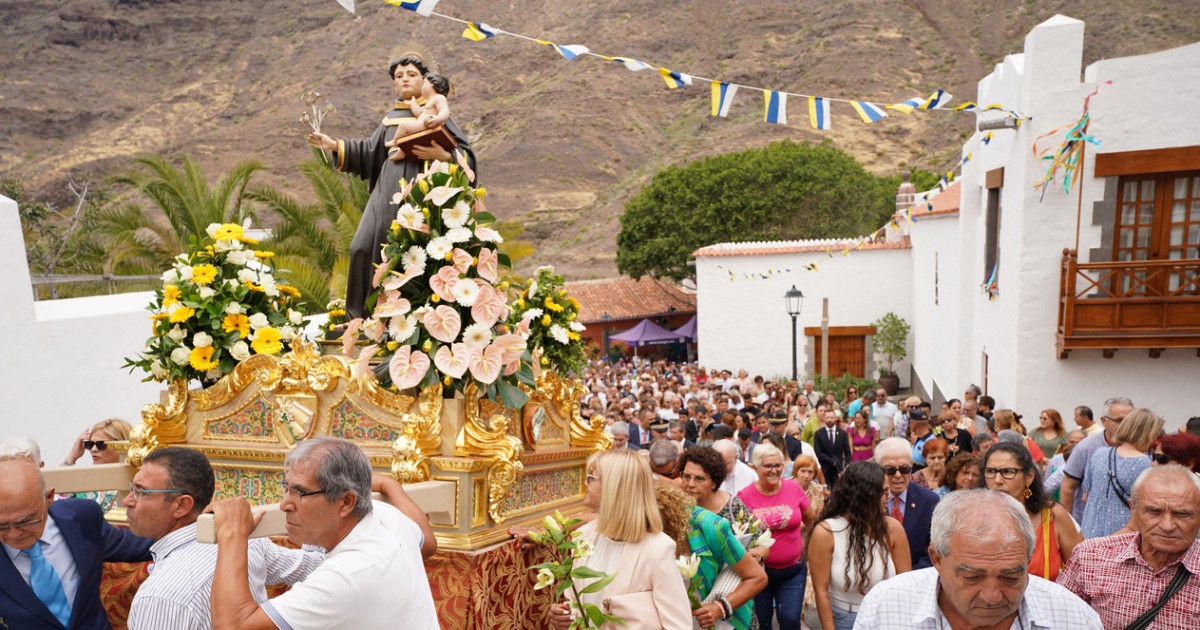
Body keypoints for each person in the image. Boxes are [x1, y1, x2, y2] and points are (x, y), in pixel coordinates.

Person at [307, 53, 476, 319]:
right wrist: (334, 145)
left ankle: (410, 319)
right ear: (394, 83)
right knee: (362, 247)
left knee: (414, 256)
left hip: (423, 194)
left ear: (425, 80)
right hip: (386, 194)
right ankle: (361, 319)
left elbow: (467, 156)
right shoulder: (392, 119)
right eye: (399, 76)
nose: (405, 79)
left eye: (411, 74)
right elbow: (369, 151)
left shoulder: (435, 113)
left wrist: (443, 156)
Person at [209, 437, 438, 629]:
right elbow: (428, 543)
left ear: (346, 502)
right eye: (287, 488)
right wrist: (389, 484)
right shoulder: (385, 515)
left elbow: (233, 627)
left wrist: (232, 534)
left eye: (300, 492)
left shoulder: (343, 578)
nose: (284, 504)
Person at [124, 447, 323, 630]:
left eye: (141, 492)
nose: (127, 500)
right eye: (132, 488)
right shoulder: (247, 541)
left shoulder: (159, 598)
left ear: (181, 506)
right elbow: (315, 566)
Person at [855, 490, 1102, 630]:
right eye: (972, 577)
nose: (992, 596)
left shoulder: (1074, 619)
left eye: (1010, 577)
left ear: (1028, 559)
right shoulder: (885, 608)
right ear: (937, 559)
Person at [0, 453, 153, 630]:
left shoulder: (82, 518)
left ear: (48, 498)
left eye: (26, 521)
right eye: (2, 526)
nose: (14, 534)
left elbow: (141, 545)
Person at [547, 450, 690, 630]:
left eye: (591, 477)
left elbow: (678, 626)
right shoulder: (584, 536)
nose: (584, 483)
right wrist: (563, 618)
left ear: (614, 487)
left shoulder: (657, 549)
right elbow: (575, 605)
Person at [1060, 465, 1200, 630]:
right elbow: (1061, 618)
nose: (1167, 526)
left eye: (1182, 514)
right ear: (1133, 508)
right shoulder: (1090, 556)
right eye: (1154, 512)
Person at [809, 461, 911, 630]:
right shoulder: (825, 532)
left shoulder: (893, 529)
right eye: (884, 492)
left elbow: (905, 585)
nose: (889, 497)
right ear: (864, 494)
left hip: (887, 617)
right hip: (845, 619)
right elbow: (821, 592)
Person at [655, 481, 768, 630]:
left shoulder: (712, 527)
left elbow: (757, 577)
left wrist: (719, 608)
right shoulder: (639, 535)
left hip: (719, 622)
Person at [737, 444, 816, 630]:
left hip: (793, 570)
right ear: (755, 467)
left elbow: (811, 520)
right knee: (763, 621)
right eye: (768, 466)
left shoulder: (793, 488)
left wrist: (807, 546)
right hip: (759, 573)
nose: (774, 470)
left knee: (790, 620)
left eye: (778, 465)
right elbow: (740, 535)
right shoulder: (744, 496)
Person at [979, 442, 1080, 581]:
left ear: (1029, 477)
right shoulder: (973, 518)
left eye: (1007, 472)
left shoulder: (1053, 516)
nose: (997, 480)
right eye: (990, 471)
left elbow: (1082, 574)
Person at [1080, 407, 1163, 539]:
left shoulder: (1100, 453)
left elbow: (1085, 497)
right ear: (1150, 434)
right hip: (1123, 536)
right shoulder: (1146, 463)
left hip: (1090, 531)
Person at [677, 447, 765, 558]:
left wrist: (757, 556)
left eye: (699, 479)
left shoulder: (732, 506)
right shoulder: (677, 506)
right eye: (686, 476)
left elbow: (760, 542)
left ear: (715, 481)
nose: (690, 484)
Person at [1060, 396, 1134, 523]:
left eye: (1131, 420)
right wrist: (1068, 524)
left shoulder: (1142, 447)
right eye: (1119, 420)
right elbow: (1068, 487)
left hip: (1129, 525)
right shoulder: (1086, 447)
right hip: (1089, 523)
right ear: (1104, 421)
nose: (1126, 425)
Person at [875, 437, 939, 569]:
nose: (898, 475)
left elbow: (936, 547)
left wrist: (909, 575)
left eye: (904, 469)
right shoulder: (868, 498)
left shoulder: (929, 500)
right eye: (889, 470)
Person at [60, 418, 133, 512]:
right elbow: (54, 494)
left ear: (121, 445)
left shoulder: (135, 481)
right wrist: (72, 456)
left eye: (101, 444)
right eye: (89, 444)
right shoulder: (83, 479)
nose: (93, 449)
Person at [814, 408, 851, 489]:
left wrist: (846, 467)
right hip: (824, 468)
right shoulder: (818, 434)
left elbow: (847, 452)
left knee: (838, 490)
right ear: (824, 419)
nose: (829, 420)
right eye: (827, 417)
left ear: (835, 419)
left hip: (839, 470)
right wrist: (832, 461)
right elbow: (818, 453)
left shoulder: (842, 433)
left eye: (831, 417)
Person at [790, 454, 827, 520]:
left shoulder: (818, 489)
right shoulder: (786, 486)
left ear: (814, 474)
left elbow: (819, 515)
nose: (806, 476)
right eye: (803, 471)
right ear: (796, 471)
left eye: (810, 472)